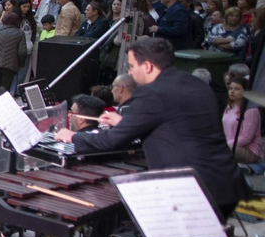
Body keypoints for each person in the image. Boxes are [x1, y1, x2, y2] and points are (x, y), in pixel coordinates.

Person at [58, 36, 242, 216]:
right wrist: (124, 123)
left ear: (147, 66)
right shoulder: (194, 82)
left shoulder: (151, 93)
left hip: (192, 190)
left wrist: (72, 136)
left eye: (131, 66)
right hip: (225, 182)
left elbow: (112, 141)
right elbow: (177, 125)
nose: (129, 73)